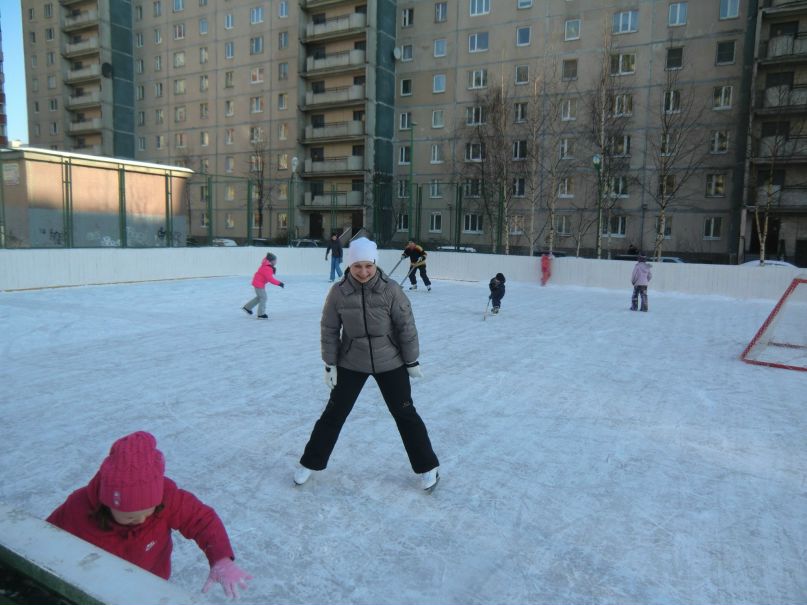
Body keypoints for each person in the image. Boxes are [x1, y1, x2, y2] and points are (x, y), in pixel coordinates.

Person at [293, 237, 440, 492]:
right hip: (352, 361)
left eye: (368, 266)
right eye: (357, 266)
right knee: (334, 414)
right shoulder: (338, 292)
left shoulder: (391, 290)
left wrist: (411, 360)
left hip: (390, 361)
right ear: (350, 265)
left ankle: (428, 466)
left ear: (375, 263)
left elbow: (406, 327)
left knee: (405, 414)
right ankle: (310, 462)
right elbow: (329, 329)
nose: (363, 272)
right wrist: (330, 364)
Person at [46, 431, 252, 599]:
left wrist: (221, 558)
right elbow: (44, 538)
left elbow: (202, 520)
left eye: (148, 512)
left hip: (150, 586)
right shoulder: (78, 508)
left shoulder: (168, 498)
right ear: (107, 504)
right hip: (97, 587)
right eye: (130, 517)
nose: (141, 520)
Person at [242, 252, 284, 319]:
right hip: (259, 284)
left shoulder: (266, 266)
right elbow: (270, 279)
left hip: (258, 283)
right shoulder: (267, 268)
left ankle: (247, 307)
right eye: (275, 260)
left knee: (260, 297)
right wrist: (279, 283)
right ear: (271, 261)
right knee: (263, 298)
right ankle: (261, 314)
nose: (276, 262)